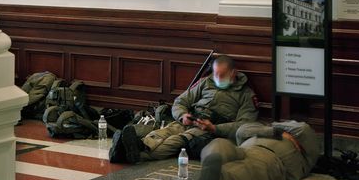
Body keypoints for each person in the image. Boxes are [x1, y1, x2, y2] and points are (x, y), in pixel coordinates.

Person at [110, 55, 258, 164]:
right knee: (163, 132)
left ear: (233, 73)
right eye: (215, 74)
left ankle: (129, 154)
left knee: (176, 141)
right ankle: (138, 146)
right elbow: (180, 101)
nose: (218, 78)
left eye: (222, 75)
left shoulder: (246, 95)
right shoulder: (206, 82)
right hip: (190, 118)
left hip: (209, 128)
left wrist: (214, 128)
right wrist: (182, 115)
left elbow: (244, 126)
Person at [194, 121, 320, 180]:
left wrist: (275, 128)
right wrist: (275, 131)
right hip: (244, 149)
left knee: (246, 171)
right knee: (220, 144)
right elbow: (242, 130)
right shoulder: (270, 131)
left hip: (272, 161)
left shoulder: (307, 151)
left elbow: (304, 128)